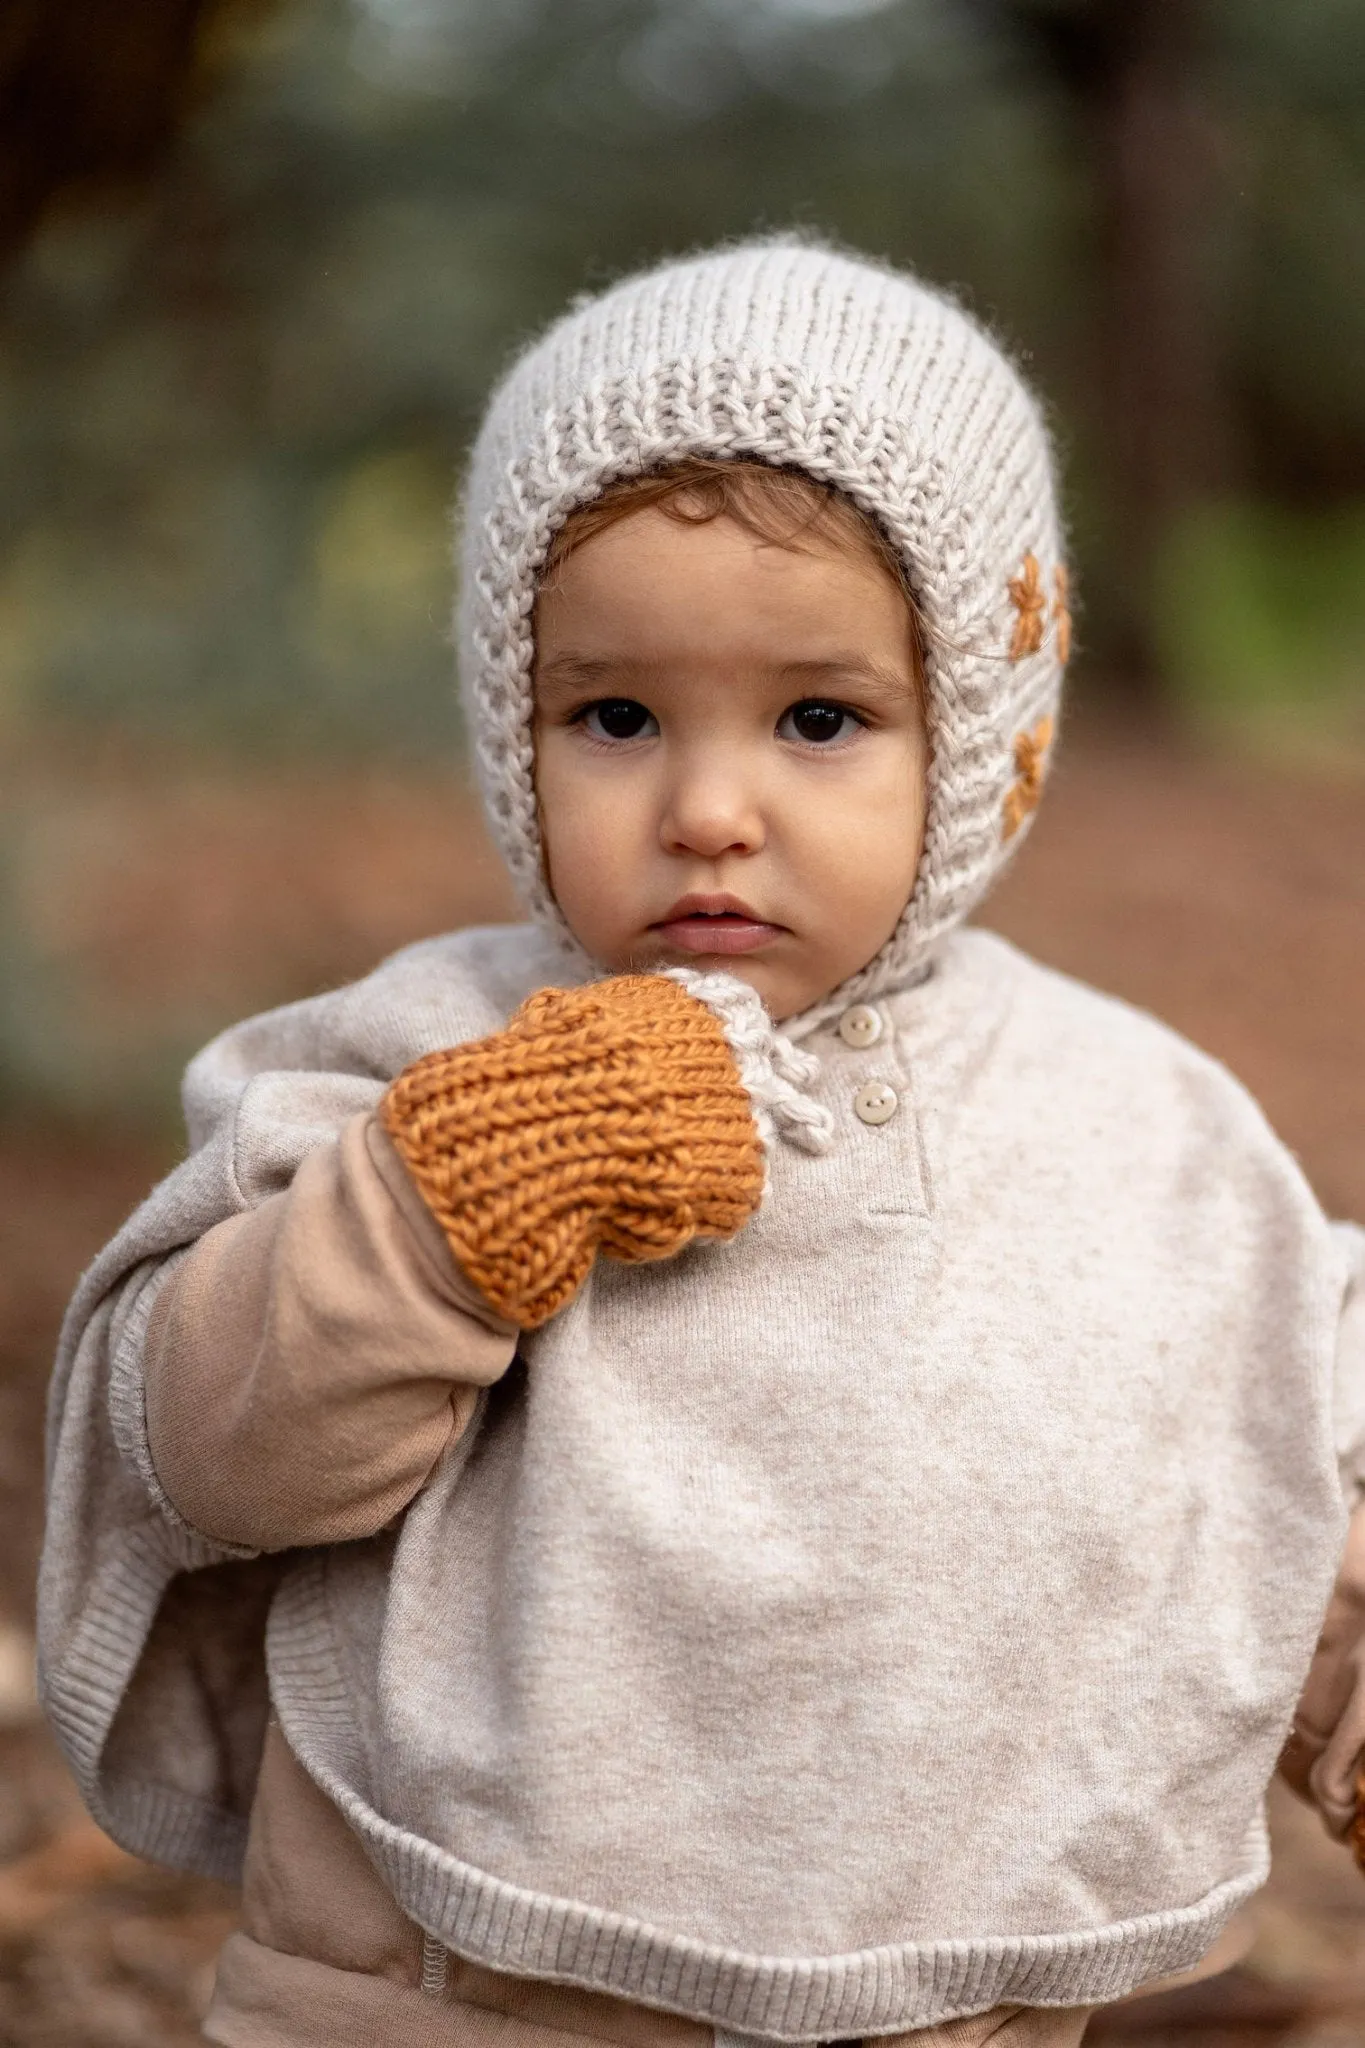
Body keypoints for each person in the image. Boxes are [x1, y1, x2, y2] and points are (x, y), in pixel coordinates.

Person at [38, 239, 1365, 2048]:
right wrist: (444, 1209)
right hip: (439, 1988)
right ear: (517, 728)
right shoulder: (422, 1056)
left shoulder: (1139, 1130)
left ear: (983, 739)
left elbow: (1266, 1450)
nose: (710, 810)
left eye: (821, 720)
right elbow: (201, 1442)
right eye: (616, 717)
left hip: (943, 2001)